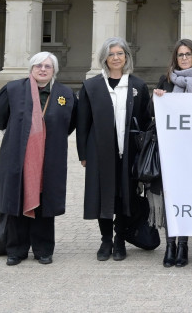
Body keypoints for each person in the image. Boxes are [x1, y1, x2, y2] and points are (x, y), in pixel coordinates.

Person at [0, 52, 76, 266]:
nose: (43, 69)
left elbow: (70, 122)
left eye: (48, 66)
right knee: (16, 199)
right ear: (31, 68)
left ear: (54, 70)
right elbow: (0, 115)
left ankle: (43, 249)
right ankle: (16, 250)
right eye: (38, 65)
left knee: (45, 203)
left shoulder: (65, 93)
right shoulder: (13, 89)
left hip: (50, 157)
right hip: (18, 156)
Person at [76, 38, 151, 262]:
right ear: (105, 59)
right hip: (99, 152)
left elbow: (146, 121)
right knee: (103, 196)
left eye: (120, 53)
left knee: (125, 196)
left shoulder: (138, 86)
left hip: (129, 153)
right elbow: (83, 123)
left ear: (127, 57)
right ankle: (106, 239)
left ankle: (120, 239)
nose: (116, 58)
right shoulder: (92, 86)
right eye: (111, 54)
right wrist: (83, 154)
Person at [151, 39, 192, 268]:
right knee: (170, 196)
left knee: (186, 196)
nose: (184, 58)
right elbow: (153, 113)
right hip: (170, 149)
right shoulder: (166, 81)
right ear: (175, 58)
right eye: (180, 55)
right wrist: (156, 97)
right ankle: (170, 245)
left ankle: (184, 244)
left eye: (188, 54)